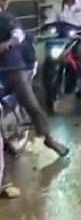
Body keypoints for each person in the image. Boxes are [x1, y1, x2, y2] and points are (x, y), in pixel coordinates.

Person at [0, 10, 69, 158]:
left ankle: (49, 138)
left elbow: (18, 34)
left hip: (12, 67)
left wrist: (7, 43)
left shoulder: (6, 18)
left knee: (30, 103)